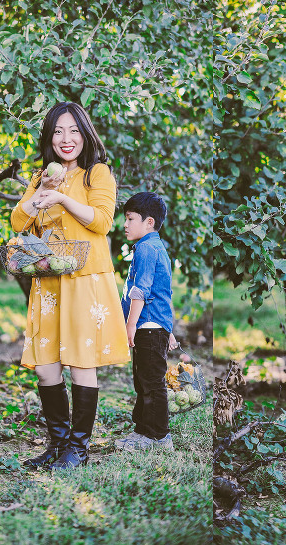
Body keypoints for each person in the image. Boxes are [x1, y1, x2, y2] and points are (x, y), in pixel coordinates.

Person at [11, 102, 130, 470]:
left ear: (85, 135)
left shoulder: (97, 174)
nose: (67, 139)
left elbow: (102, 222)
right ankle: (58, 445)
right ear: (49, 136)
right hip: (49, 281)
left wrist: (62, 196)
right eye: (59, 131)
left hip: (84, 281)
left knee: (81, 363)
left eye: (74, 131)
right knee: (46, 368)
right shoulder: (40, 177)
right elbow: (18, 222)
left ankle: (78, 449)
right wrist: (40, 192)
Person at [115, 192, 178, 451]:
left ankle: (159, 436)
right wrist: (169, 330)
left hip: (148, 327)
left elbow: (140, 291)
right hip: (154, 326)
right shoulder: (155, 247)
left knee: (151, 383)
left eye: (130, 219)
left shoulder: (146, 248)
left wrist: (130, 325)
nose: (125, 225)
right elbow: (165, 291)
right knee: (143, 381)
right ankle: (143, 432)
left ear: (149, 222)